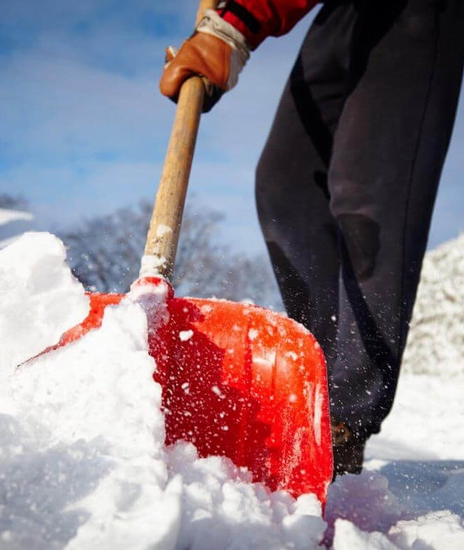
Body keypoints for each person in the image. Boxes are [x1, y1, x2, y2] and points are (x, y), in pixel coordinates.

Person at [159, 0, 464, 477]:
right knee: (286, 188)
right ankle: (315, 388)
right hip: (342, 12)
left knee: (367, 197)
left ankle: (344, 420)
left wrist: (235, 26)